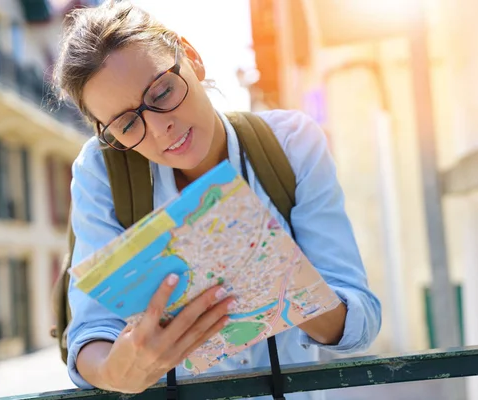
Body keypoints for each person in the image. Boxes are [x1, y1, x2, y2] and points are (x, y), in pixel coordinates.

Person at [52, 1, 382, 399]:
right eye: (126, 123)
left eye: (162, 91)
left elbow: (359, 323)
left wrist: (278, 283)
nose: (159, 128)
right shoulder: (102, 169)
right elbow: (90, 333)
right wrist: (119, 372)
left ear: (191, 57)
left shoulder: (291, 143)